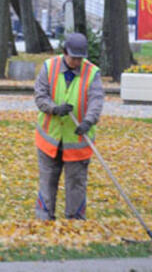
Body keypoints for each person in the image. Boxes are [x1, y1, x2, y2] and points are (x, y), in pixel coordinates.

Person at [33, 33, 104, 221]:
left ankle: (75, 220)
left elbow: (96, 101)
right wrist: (55, 109)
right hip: (50, 138)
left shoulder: (92, 73)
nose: (77, 62)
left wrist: (88, 121)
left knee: (76, 183)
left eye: (80, 58)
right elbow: (40, 97)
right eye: (73, 58)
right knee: (47, 180)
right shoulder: (49, 67)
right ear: (65, 53)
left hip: (77, 141)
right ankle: (44, 218)